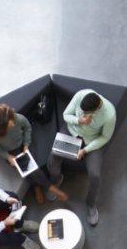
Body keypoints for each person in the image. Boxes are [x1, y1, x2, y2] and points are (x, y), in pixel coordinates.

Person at [45, 88, 116, 227]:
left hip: (91, 142)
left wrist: (86, 150)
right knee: (51, 161)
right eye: (82, 110)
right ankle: (57, 179)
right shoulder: (81, 94)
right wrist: (79, 120)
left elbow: (105, 137)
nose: (83, 113)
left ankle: (91, 204)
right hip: (71, 131)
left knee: (95, 175)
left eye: (86, 112)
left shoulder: (109, 115)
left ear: (96, 109)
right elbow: (66, 115)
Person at [0, 103, 64, 203]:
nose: (13, 124)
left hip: (25, 145)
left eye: (12, 121)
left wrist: (26, 145)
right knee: (25, 172)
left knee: (33, 169)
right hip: (11, 153)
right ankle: (38, 187)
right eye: (9, 127)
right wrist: (8, 156)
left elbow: (27, 127)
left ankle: (49, 188)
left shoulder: (17, 118)